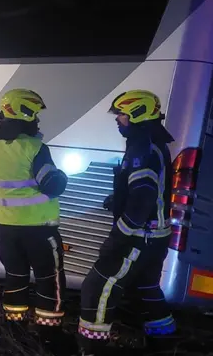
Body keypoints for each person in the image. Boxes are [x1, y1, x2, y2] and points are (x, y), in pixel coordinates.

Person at [77, 90, 176, 355]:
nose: (118, 119)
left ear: (137, 114)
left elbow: (142, 200)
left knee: (97, 288)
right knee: (147, 290)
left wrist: (116, 239)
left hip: (139, 237)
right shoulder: (152, 142)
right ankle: (164, 345)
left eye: (121, 114)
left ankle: (91, 349)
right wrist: (118, 196)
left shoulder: (142, 147)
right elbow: (147, 189)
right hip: (155, 237)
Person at [0, 89, 70, 350]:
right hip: (39, 231)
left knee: (15, 278)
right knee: (50, 280)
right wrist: (63, 175)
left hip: (8, 230)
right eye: (34, 114)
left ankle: (14, 331)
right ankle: (49, 336)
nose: (37, 120)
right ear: (23, 113)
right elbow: (52, 184)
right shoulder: (35, 148)